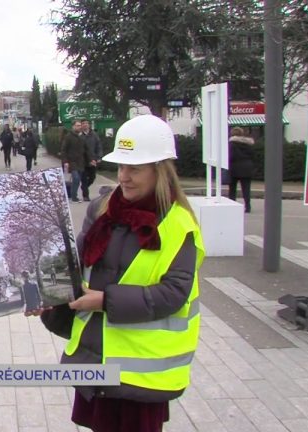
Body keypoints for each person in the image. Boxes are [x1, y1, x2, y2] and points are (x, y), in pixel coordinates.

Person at [41, 115, 204, 432]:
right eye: (121, 167)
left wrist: (105, 301)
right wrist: (46, 294)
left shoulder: (179, 224)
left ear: (160, 169)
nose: (124, 177)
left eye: (135, 169)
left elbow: (173, 294)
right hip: (97, 356)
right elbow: (74, 266)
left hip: (140, 373)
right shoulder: (102, 208)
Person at [228, 127, 254, 213]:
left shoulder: (231, 144)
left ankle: (232, 205)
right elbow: (253, 155)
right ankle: (248, 206)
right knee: (246, 189)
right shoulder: (249, 144)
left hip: (234, 168)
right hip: (247, 168)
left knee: (232, 188)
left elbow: (231, 156)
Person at [62, 120, 88, 202]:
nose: (79, 127)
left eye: (80, 125)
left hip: (80, 162)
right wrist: (65, 161)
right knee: (76, 178)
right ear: (73, 126)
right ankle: (74, 197)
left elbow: (86, 149)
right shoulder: (68, 137)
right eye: (77, 125)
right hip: (72, 162)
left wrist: (91, 159)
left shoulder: (82, 137)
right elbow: (64, 150)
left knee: (77, 180)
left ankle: (73, 195)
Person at [79, 119, 103, 201]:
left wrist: (99, 157)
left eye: (86, 123)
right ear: (81, 125)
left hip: (93, 160)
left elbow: (98, 147)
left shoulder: (94, 135)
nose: (85, 125)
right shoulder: (79, 136)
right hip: (82, 161)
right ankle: (85, 196)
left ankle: (84, 187)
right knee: (84, 179)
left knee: (92, 177)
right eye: (83, 123)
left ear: (89, 125)